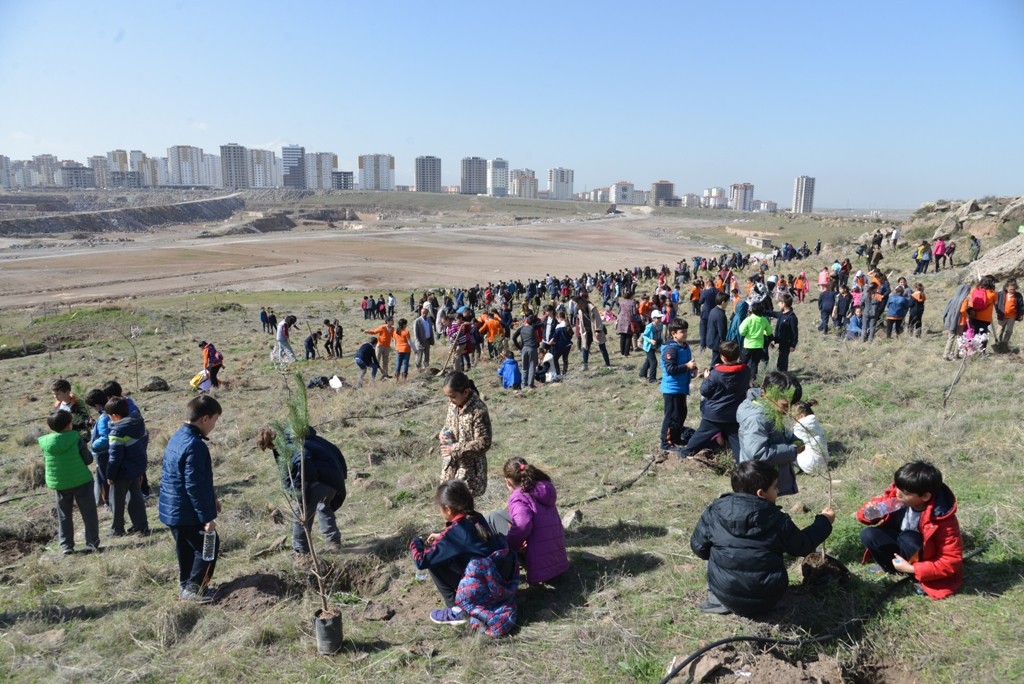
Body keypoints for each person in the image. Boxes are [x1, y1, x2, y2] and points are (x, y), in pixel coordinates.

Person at [690, 460, 834, 616]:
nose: (778, 491)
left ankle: (718, 601)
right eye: (775, 487)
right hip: (768, 598)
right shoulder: (777, 519)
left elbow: (699, 548)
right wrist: (824, 521)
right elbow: (803, 546)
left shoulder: (714, 512)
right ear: (761, 493)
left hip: (725, 595)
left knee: (713, 551)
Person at [409, 480, 511, 626]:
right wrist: (442, 535)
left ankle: (457, 610)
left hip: (483, 590)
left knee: (434, 562)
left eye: (440, 508)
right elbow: (464, 539)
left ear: (448, 509)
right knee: (441, 554)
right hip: (498, 579)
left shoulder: (456, 532)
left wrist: (416, 541)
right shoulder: (476, 517)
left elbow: (421, 561)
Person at [857, 461, 963, 600]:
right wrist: (868, 513)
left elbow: (950, 561)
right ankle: (890, 567)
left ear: (925, 496)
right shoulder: (897, 497)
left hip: (921, 554)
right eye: (897, 487)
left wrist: (914, 569)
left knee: (908, 538)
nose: (898, 494)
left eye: (905, 492)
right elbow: (864, 514)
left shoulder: (943, 518)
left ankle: (917, 577)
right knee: (869, 534)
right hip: (902, 544)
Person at [158, 395, 222, 603]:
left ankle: (187, 585)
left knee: (187, 548)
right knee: (209, 544)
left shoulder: (178, 437)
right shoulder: (195, 445)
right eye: (215, 420)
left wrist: (211, 500)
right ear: (205, 419)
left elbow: (193, 479)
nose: (214, 425)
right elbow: (193, 486)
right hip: (187, 510)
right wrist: (207, 517)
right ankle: (194, 590)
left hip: (173, 508)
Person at [257, 425, 346, 560]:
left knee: (301, 514)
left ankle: (300, 552)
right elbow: (334, 450)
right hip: (333, 480)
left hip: (319, 482)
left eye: (271, 447)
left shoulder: (288, 445)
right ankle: (333, 541)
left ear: (273, 442)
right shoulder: (307, 437)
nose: (272, 450)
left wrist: (302, 487)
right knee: (324, 506)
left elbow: (303, 458)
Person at [485, 457, 569, 584]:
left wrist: (512, 545)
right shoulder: (542, 490)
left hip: (540, 567)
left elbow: (523, 525)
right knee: (496, 514)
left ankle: (495, 569)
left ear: (508, 482)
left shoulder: (519, 497)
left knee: (491, 519)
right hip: (558, 561)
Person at [40, 410, 100, 555]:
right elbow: (88, 460)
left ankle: (66, 546)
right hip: (81, 481)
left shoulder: (46, 442)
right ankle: (92, 544)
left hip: (60, 484)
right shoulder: (76, 438)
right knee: (89, 513)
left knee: (64, 515)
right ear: (69, 425)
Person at [736, 371, 804, 496]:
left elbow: (778, 434)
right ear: (765, 394)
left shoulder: (771, 411)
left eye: (791, 405)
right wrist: (792, 449)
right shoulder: (756, 419)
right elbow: (759, 454)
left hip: (768, 482)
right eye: (785, 405)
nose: (788, 411)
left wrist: (793, 439)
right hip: (758, 484)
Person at [679, 341, 749, 461]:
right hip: (734, 414)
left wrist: (706, 378)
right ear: (738, 355)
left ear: (722, 357)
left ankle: (685, 454)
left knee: (700, 436)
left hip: (714, 414)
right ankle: (743, 465)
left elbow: (704, 391)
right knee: (737, 443)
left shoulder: (716, 373)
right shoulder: (746, 370)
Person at [439, 372, 492, 497]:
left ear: (466, 392)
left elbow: (484, 443)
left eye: (452, 396)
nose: (450, 400)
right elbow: (449, 425)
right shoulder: (453, 405)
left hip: (470, 473)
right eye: (448, 397)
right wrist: (443, 433)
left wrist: (454, 449)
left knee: (464, 509)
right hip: (451, 467)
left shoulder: (479, 410)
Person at [105, 396, 150, 537]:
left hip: (121, 473)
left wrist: (110, 475)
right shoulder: (138, 424)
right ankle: (141, 526)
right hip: (136, 468)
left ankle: (116, 529)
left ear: (115, 416)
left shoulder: (117, 432)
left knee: (116, 501)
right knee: (136, 497)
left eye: (109, 416)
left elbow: (114, 458)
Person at [659, 321, 696, 450]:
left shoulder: (684, 346)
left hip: (682, 387)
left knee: (681, 413)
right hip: (672, 388)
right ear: (673, 333)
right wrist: (687, 366)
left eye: (686, 331)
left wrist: (692, 370)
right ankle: (666, 442)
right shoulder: (671, 349)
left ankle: (676, 438)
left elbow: (688, 363)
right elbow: (670, 369)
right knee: (671, 416)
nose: (685, 334)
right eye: (682, 332)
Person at [85, 389, 111, 510]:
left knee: (104, 479)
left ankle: (108, 503)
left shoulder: (104, 418)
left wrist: (93, 445)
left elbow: (105, 438)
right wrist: (94, 425)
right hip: (106, 453)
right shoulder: (107, 414)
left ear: (96, 405)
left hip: (103, 454)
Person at [738, 299, 772, 381]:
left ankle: (740, 378)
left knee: (743, 363)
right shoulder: (764, 320)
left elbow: (741, 331)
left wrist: (746, 333)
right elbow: (769, 332)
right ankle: (752, 379)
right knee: (754, 364)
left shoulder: (748, 319)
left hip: (748, 345)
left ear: (752, 310)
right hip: (759, 345)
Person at [791, 400, 827, 475]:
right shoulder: (815, 423)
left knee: (786, 451)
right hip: (824, 463)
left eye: (794, 418)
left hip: (811, 465)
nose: (793, 421)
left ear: (801, 416)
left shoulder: (800, 427)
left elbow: (794, 445)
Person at [512, 314, 541, 389]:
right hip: (532, 349)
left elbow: (514, 337)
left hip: (524, 348)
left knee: (524, 367)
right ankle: (530, 384)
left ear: (527, 320)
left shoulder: (521, 328)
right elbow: (541, 324)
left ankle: (523, 384)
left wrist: (519, 347)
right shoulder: (533, 328)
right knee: (532, 367)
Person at [772, 294, 798, 372]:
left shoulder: (792, 317)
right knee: (780, 359)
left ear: (783, 303)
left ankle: (783, 376)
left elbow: (794, 332)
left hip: (787, 343)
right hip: (781, 341)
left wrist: (793, 344)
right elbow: (772, 313)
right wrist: (761, 311)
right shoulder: (781, 314)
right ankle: (780, 374)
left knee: (783, 361)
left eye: (779, 302)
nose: (778, 304)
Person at [994, 279, 1022, 351]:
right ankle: (998, 344)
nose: (1012, 291)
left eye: (1014, 289)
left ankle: (1004, 343)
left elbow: (1021, 306)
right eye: (1010, 289)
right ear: (1006, 287)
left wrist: (1021, 314)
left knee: (1009, 331)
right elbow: (995, 303)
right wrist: (998, 312)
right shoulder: (1001, 294)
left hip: (1012, 316)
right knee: (999, 331)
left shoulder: (1018, 295)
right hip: (1002, 316)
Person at [638, 309, 664, 383]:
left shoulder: (660, 325)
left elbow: (660, 335)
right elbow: (644, 336)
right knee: (653, 362)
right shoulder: (649, 326)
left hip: (655, 346)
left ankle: (642, 374)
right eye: (658, 318)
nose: (660, 319)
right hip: (648, 347)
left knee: (648, 361)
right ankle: (652, 379)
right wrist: (650, 340)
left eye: (660, 318)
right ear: (653, 318)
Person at [706, 292, 729, 367]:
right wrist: (724, 343)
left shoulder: (713, 310)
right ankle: (711, 375)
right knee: (716, 362)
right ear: (723, 302)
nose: (728, 303)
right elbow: (722, 331)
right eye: (727, 301)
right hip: (717, 342)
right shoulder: (720, 315)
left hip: (711, 338)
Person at [615, 291, 638, 357]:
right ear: (631, 296)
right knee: (628, 337)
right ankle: (626, 353)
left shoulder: (622, 302)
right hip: (629, 320)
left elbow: (619, 311)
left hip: (621, 320)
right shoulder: (632, 302)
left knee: (622, 336)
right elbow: (634, 312)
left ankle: (622, 352)